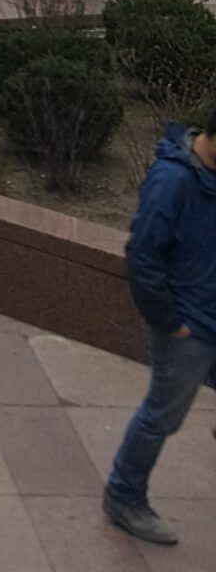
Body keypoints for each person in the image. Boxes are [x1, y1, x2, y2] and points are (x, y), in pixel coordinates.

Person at [103, 113, 216, 544]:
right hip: (189, 326)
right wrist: (171, 322)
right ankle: (124, 497)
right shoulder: (173, 181)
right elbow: (143, 256)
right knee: (161, 417)